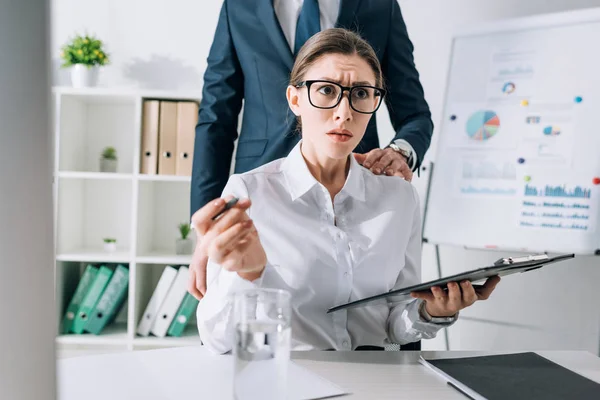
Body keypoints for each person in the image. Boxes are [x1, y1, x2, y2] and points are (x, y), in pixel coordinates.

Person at [193, 29, 500, 353]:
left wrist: (435, 312)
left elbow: (395, 321)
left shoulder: (400, 199)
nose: (345, 112)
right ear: (295, 99)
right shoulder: (249, 194)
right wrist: (246, 275)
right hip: (289, 381)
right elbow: (216, 341)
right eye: (326, 90)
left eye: (361, 93)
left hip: (372, 382)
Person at [189, 0, 434, 300]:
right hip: (262, 202)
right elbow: (216, 119)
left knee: (375, 311)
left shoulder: (380, 6)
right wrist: (208, 232)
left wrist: (399, 152)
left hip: (357, 198)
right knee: (246, 311)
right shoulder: (239, 7)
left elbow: (416, 115)